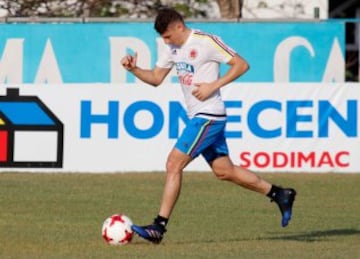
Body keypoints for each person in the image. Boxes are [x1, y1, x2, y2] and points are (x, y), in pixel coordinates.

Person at [121, 7, 296, 244]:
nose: (165, 41)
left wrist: (213, 85)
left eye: (167, 36)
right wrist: (134, 69)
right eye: (163, 38)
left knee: (173, 163)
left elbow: (241, 65)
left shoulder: (206, 41)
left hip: (209, 115)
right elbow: (155, 78)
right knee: (225, 171)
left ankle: (158, 227)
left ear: (179, 27)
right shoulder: (171, 48)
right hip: (199, 116)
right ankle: (279, 194)